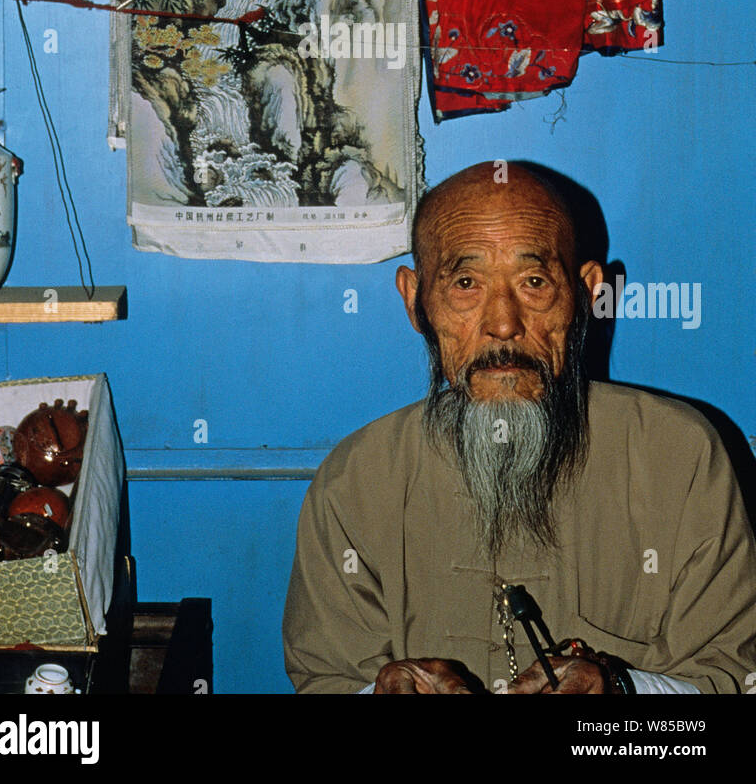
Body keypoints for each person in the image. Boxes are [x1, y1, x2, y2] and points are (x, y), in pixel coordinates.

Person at [283, 162, 756, 694]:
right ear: (415, 300)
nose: (504, 322)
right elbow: (328, 679)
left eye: (534, 282)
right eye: (466, 283)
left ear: (586, 292)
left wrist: (622, 694)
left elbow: (733, 679)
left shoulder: (680, 456)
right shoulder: (357, 480)